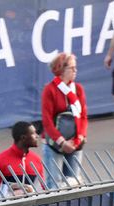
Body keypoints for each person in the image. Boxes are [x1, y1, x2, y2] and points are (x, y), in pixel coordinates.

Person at [41, 52, 88, 188]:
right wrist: (62, 142)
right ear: (61, 70)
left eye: (75, 68)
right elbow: (47, 121)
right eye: (71, 68)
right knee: (54, 187)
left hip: (75, 143)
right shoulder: (50, 90)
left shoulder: (78, 89)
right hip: (54, 144)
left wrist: (79, 138)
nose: (75, 71)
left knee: (74, 184)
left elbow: (83, 116)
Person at [0, 121, 46, 198]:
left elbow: (42, 190)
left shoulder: (36, 160)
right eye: (33, 133)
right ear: (23, 138)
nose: (37, 136)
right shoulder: (0, 160)